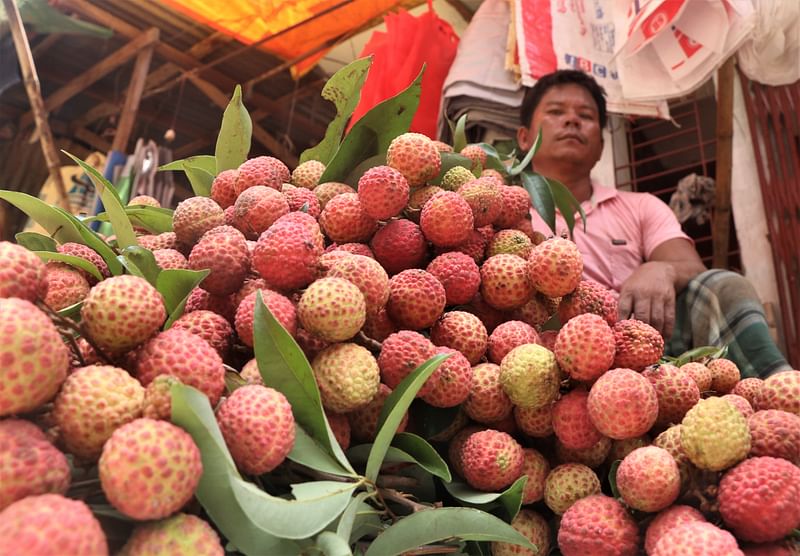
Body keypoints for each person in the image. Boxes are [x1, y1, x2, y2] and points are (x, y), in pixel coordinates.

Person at [516, 69, 792, 378]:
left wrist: (661, 268)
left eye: (586, 115)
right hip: (535, 351)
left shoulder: (641, 205)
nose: (572, 121)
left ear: (601, 146)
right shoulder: (504, 210)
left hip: (638, 347)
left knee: (723, 286)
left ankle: (779, 398)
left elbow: (690, 266)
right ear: (524, 138)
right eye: (556, 112)